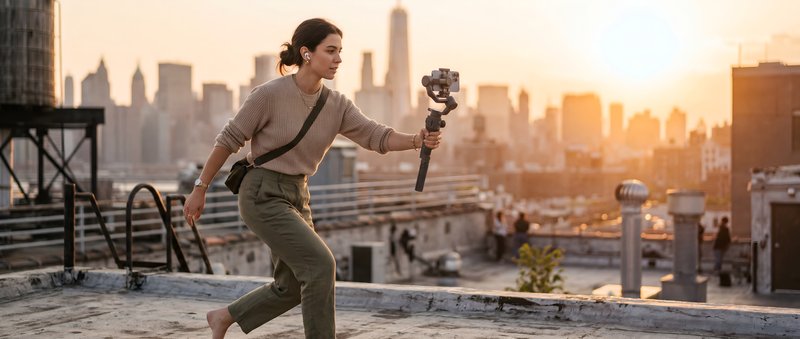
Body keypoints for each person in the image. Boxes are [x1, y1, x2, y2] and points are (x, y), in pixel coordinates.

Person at [184, 18, 443, 339]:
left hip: (297, 195)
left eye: (340, 52)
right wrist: (200, 188)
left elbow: (376, 136)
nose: (338, 59)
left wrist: (417, 139)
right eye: (330, 51)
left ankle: (224, 317)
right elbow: (229, 139)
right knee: (321, 266)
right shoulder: (269, 95)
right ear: (306, 53)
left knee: (292, 285)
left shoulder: (336, 105)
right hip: (261, 193)